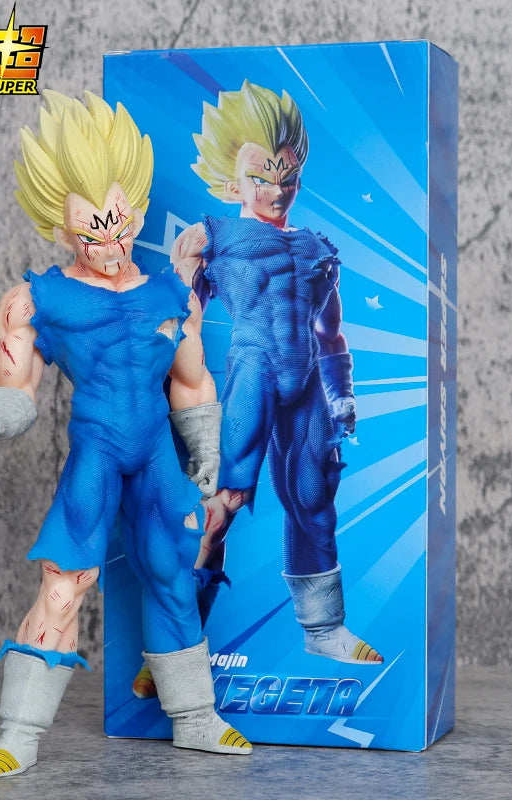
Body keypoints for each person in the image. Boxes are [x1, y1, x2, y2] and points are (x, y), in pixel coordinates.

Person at [0, 89, 251, 777]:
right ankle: (20, 730)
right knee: (64, 583)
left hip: (154, 454)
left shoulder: (168, 294)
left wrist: (205, 446)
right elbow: (18, 378)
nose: (110, 243)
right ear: (60, 227)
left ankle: (196, 716)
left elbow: (191, 380)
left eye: (118, 224)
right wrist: (6, 408)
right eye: (92, 230)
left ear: (137, 212)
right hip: (95, 452)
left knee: (172, 572)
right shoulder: (42, 299)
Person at [165, 81, 383, 673]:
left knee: (314, 498)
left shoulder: (317, 250)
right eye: (262, 175)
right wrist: (183, 397)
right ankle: (177, 644)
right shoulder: (212, 238)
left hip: (306, 383)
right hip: (252, 374)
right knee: (220, 503)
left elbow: (331, 335)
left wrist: (342, 398)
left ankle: (325, 629)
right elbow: (180, 324)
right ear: (232, 178)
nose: (277, 188)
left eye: (289, 175)